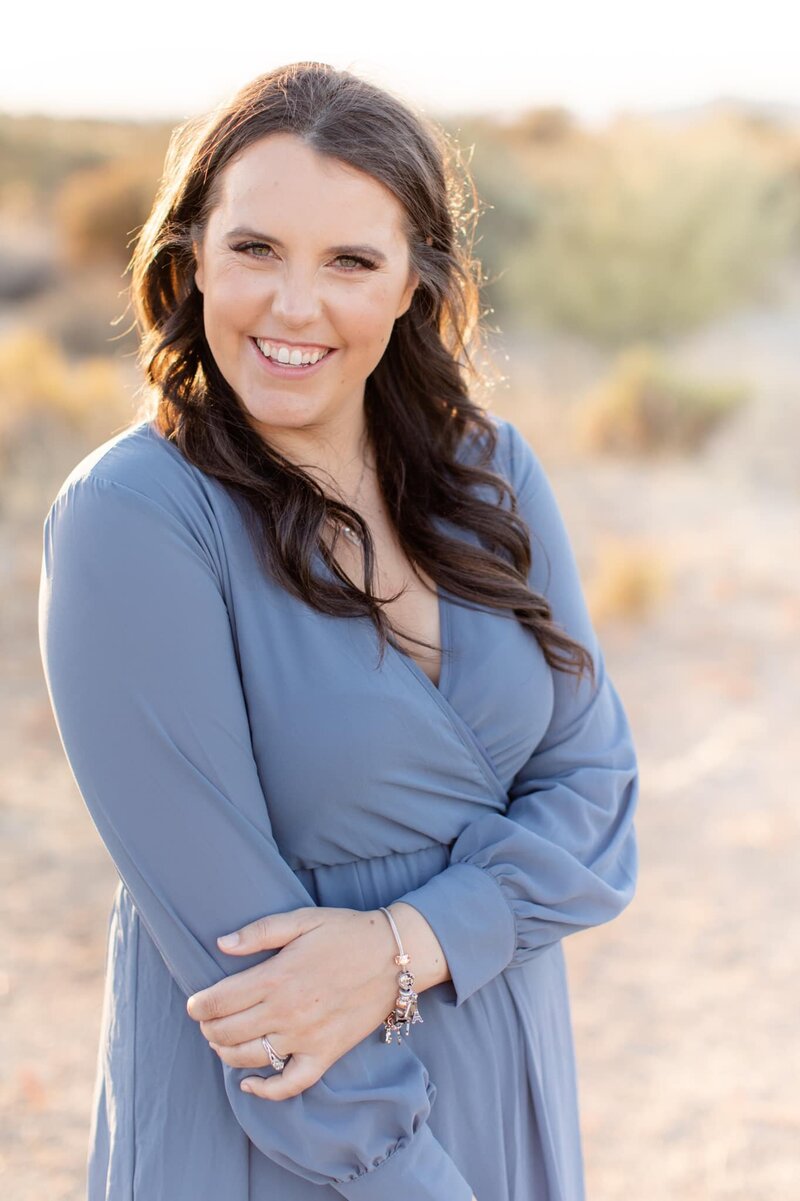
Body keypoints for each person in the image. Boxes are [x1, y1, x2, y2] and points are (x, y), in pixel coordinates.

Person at [37, 61, 639, 1201]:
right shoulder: (137, 519)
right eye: (254, 249)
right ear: (190, 257)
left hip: (501, 1072)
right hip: (292, 1140)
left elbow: (596, 800)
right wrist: (414, 1179)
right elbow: (248, 981)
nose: (292, 306)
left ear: (414, 282)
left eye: (349, 261)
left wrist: (401, 945)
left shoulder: (488, 471)